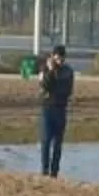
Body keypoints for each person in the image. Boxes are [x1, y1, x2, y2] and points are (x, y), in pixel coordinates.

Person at [34, 44, 75, 177]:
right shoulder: (44, 69)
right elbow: (45, 86)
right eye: (57, 59)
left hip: (60, 108)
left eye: (62, 59)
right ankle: (44, 170)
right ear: (52, 57)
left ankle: (54, 171)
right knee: (46, 140)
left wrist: (55, 81)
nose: (60, 62)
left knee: (58, 142)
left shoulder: (68, 71)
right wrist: (51, 71)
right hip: (47, 108)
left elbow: (67, 90)